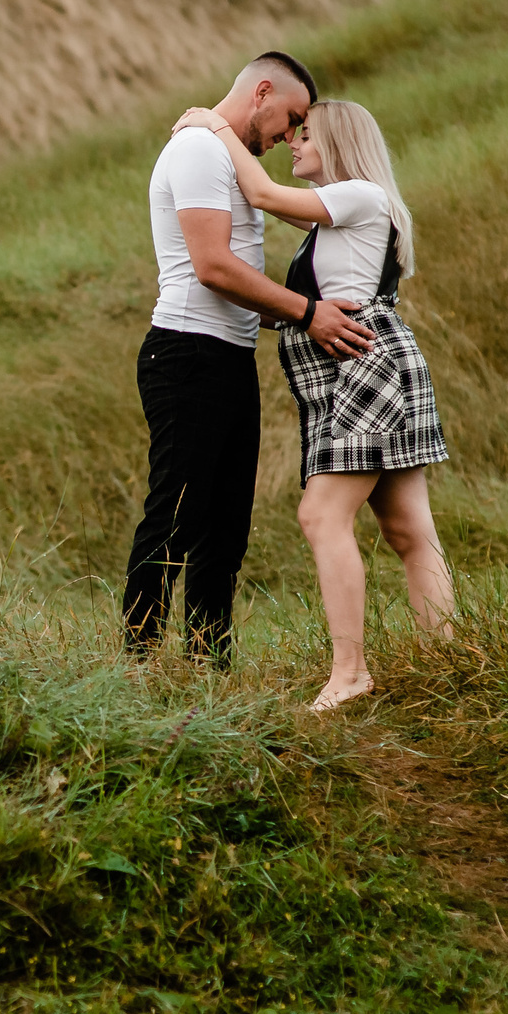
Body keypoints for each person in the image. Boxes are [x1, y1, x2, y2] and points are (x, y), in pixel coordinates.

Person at [171, 95, 453, 709]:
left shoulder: (360, 195)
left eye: (306, 134)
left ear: (341, 142)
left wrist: (215, 125)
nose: (293, 142)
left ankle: (349, 672)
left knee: (320, 516)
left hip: (364, 369)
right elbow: (283, 223)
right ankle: (451, 665)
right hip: (362, 368)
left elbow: (265, 197)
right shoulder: (342, 215)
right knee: (409, 530)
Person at [125, 53, 373, 665]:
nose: (290, 136)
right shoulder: (198, 151)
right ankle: (136, 665)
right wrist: (306, 313)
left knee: (226, 532)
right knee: (176, 517)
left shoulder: (224, 156)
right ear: (261, 92)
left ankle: (209, 668)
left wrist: (301, 312)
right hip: (185, 352)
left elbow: (239, 283)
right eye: (290, 119)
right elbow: (212, 268)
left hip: (229, 356)